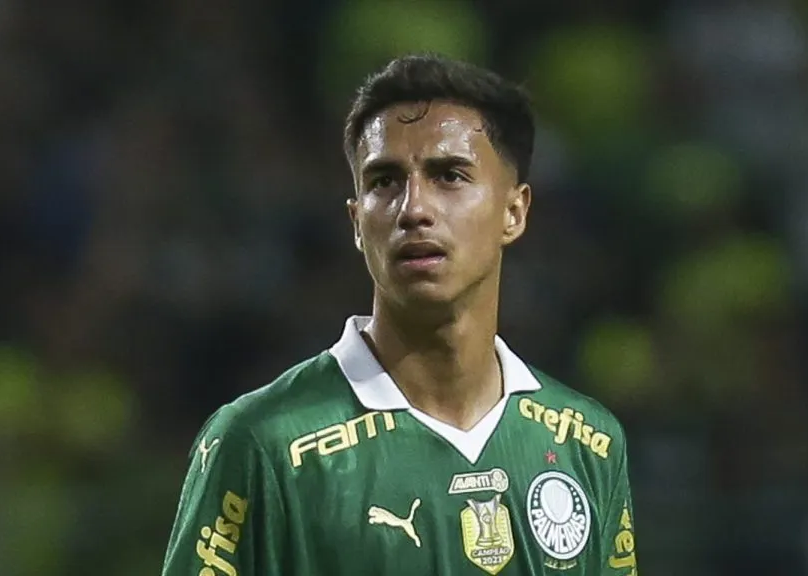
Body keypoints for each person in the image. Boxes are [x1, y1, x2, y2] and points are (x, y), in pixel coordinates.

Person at [160, 53, 639, 575]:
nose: (413, 208)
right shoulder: (261, 443)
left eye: (449, 175)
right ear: (357, 222)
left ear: (514, 211)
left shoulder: (587, 444)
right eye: (385, 181)